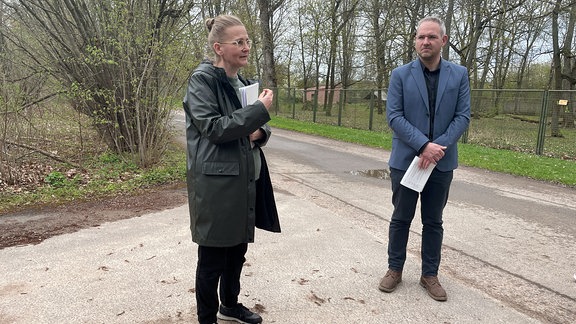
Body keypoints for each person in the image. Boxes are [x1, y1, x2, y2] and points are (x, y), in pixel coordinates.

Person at [182, 14, 280, 324]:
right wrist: (258, 112)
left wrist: (261, 131)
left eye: (248, 41)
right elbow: (215, 128)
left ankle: (230, 305)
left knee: (237, 251)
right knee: (212, 259)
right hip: (216, 186)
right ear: (218, 47)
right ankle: (207, 318)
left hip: (245, 180)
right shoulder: (202, 81)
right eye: (238, 42)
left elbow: (253, 129)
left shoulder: (246, 82)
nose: (246, 47)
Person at [378, 16, 471, 302]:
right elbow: (394, 116)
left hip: (441, 162)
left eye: (431, 37)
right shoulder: (400, 75)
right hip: (407, 160)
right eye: (421, 37)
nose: (425, 42)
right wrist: (422, 146)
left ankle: (429, 274)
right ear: (415, 41)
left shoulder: (459, 74)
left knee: (434, 221)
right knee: (401, 218)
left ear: (443, 41)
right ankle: (395, 269)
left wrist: (436, 148)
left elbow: (462, 116)